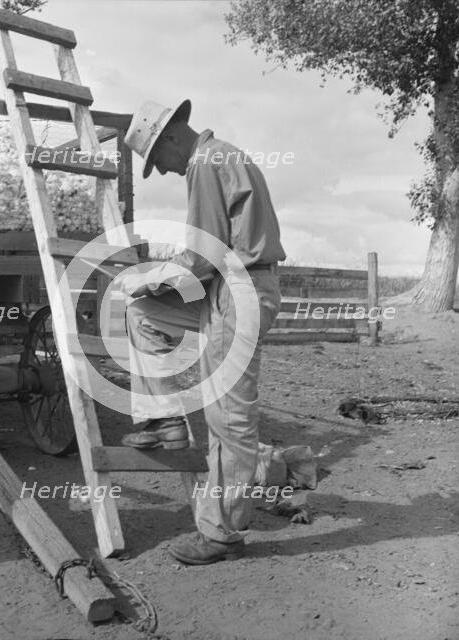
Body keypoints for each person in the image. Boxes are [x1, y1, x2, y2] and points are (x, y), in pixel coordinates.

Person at [118, 99, 286, 565]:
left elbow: (203, 256)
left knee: (229, 417)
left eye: (158, 161)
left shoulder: (206, 163)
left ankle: (222, 533)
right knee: (145, 315)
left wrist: (150, 278)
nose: (165, 171)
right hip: (229, 288)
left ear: (170, 138)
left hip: (240, 291)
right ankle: (165, 416)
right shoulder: (221, 157)